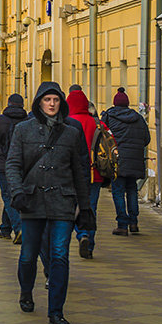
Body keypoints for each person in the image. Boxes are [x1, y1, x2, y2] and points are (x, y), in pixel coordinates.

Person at [5, 81, 94, 324]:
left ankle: (56, 312)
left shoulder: (72, 132)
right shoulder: (23, 130)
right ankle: (26, 291)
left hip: (62, 202)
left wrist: (85, 208)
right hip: (31, 201)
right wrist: (18, 192)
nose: (52, 104)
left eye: (55, 100)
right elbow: (13, 164)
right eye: (47, 100)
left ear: (61, 103)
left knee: (59, 257)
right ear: (39, 102)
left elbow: (80, 172)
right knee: (28, 255)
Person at [102, 88, 151, 236]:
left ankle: (122, 224)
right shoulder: (137, 118)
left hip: (117, 161)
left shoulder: (109, 116)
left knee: (118, 191)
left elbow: (102, 137)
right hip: (134, 161)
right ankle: (134, 222)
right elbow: (146, 139)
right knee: (131, 190)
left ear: (115, 103)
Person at [0, 93, 30, 242]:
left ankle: (19, 228)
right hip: (23, 164)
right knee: (13, 193)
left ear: (8, 103)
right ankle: (5, 228)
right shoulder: (28, 121)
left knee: (8, 195)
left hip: (4, 164)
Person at [64, 85, 103, 259]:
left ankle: (67, 239)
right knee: (89, 207)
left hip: (71, 174)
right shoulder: (97, 123)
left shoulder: (67, 123)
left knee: (68, 209)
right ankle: (87, 238)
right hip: (95, 173)